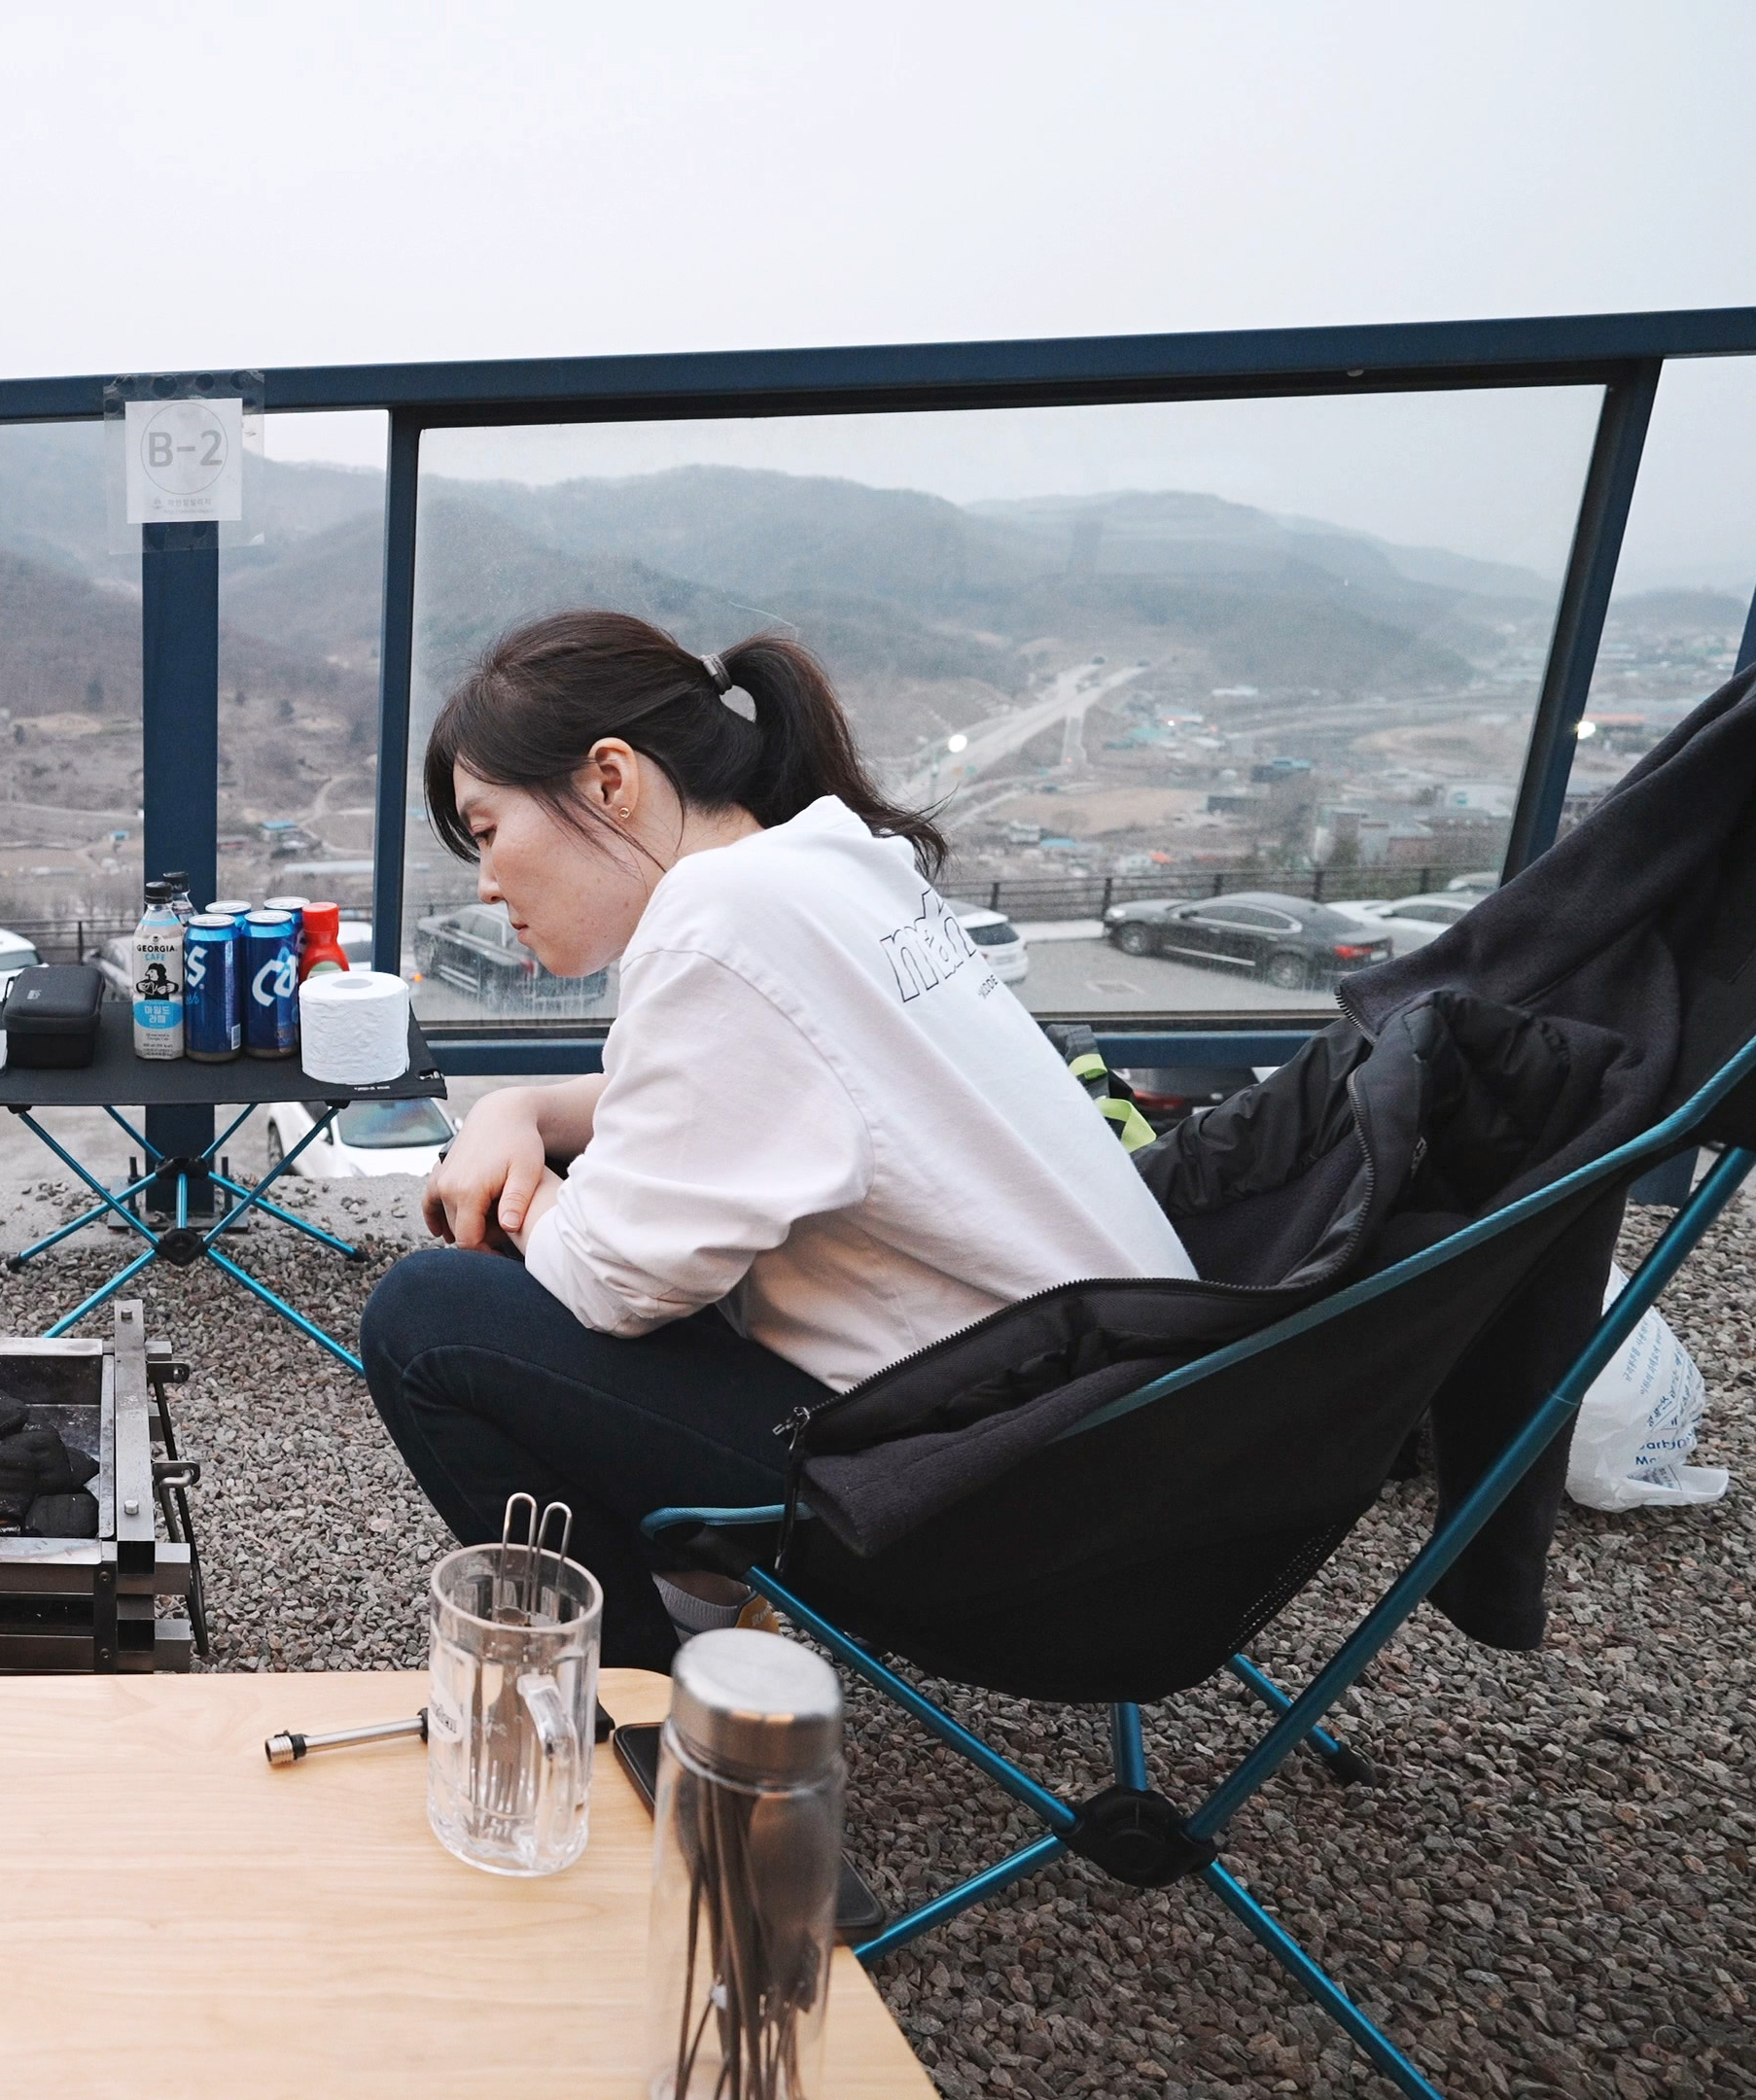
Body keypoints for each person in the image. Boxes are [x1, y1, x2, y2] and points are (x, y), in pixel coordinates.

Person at [364, 611, 1195, 1667]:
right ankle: (696, 1595)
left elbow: (610, 1280)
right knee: (584, 1191)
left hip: (1000, 1509)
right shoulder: (827, 859)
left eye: (487, 832)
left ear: (611, 780)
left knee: (429, 1317)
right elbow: (716, 1094)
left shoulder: (715, 921)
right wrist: (514, 1113)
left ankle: (632, 1701)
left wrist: (513, 1184)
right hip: (1132, 1449)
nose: (486, 882)